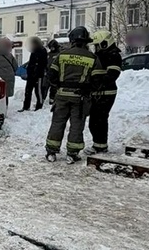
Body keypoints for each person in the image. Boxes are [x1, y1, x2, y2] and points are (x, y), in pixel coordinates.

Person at [45, 26, 105, 163]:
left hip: (62, 96)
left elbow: (51, 75)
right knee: (77, 125)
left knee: (57, 122)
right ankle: (72, 153)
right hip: (80, 98)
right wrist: (88, 89)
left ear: (72, 40)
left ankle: (51, 151)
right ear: (86, 42)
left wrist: (59, 85)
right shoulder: (92, 57)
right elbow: (98, 80)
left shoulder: (62, 55)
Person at [86, 30, 122, 154]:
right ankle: (99, 144)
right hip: (99, 93)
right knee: (95, 120)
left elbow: (112, 74)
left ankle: (100, 146)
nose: (96, 48)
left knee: (99, 119)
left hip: (106, 93)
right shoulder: (103, 55)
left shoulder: (113, 55)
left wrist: (98, 83)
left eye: (97, 45)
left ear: (105, 43)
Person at [20, 37, 48, 112]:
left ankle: (39, 106)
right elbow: (31, 62)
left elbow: (43, 64)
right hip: (31, 75)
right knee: (28, 91)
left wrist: (38, 71)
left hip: (38, 75)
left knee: (38, 91)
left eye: (34, 44)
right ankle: (26, 107)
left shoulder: (42, 51)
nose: (33, 45)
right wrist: (29, 71)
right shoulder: (34, 51)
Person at [0, 38, 17, 106]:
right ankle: (5, 106)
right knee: (6, 94)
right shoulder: (10, 56)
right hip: (9, 78)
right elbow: (15, 66)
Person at [42, 39, 61, 103]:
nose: (52, 48)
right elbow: (44, 63)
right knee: (44, 87)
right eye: (51, 47)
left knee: (54, 88)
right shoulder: (48, 54)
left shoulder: (59, 54)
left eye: (53, 47)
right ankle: (42, 99)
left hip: (56, 74)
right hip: (47, 73)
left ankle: (52, 99)